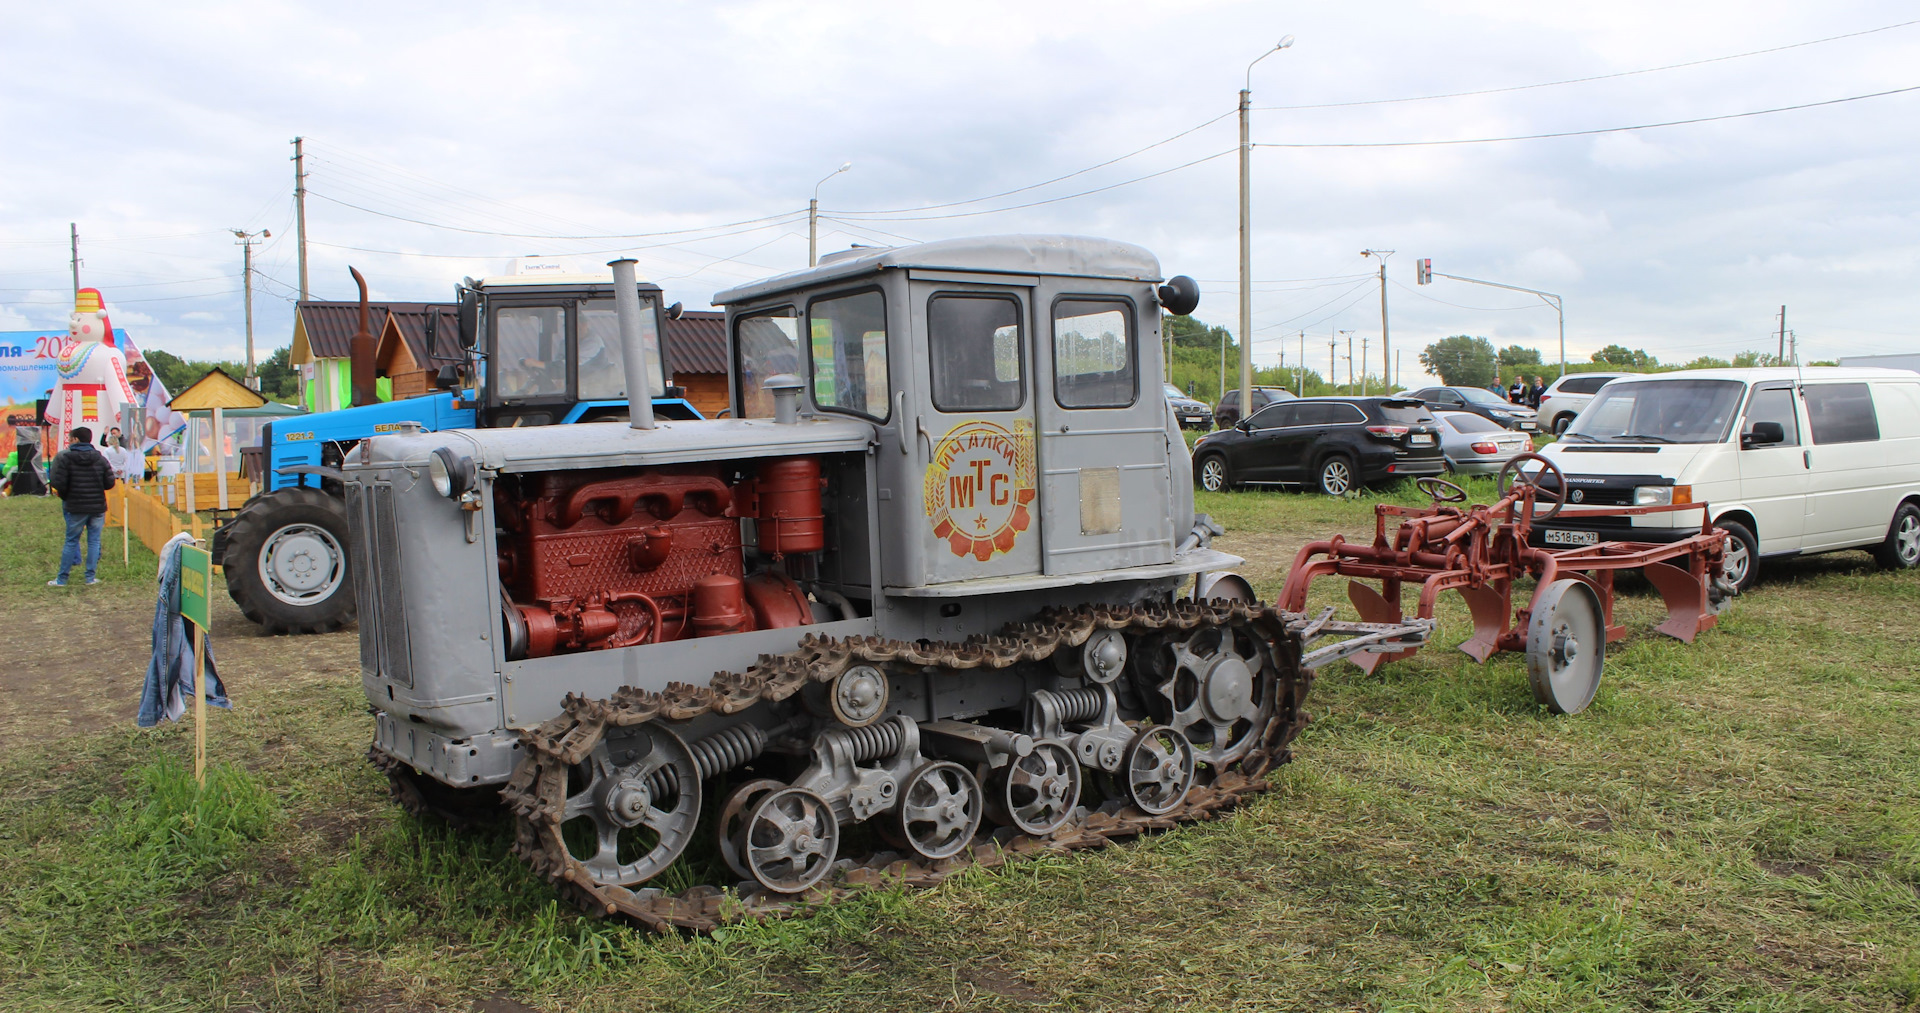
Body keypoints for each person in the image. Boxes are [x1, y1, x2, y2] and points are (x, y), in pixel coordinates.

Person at [47, 426, 117, 586]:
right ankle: (90, 578)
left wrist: (66, 497)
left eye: (71, 438)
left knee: (71, 541)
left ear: (76, 439)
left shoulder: (66, 458)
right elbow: (109, 482)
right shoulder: (100, 458)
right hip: (97, 507)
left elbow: (58, 482)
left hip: (75, 506)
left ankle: (62, 579)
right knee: (94, 541)